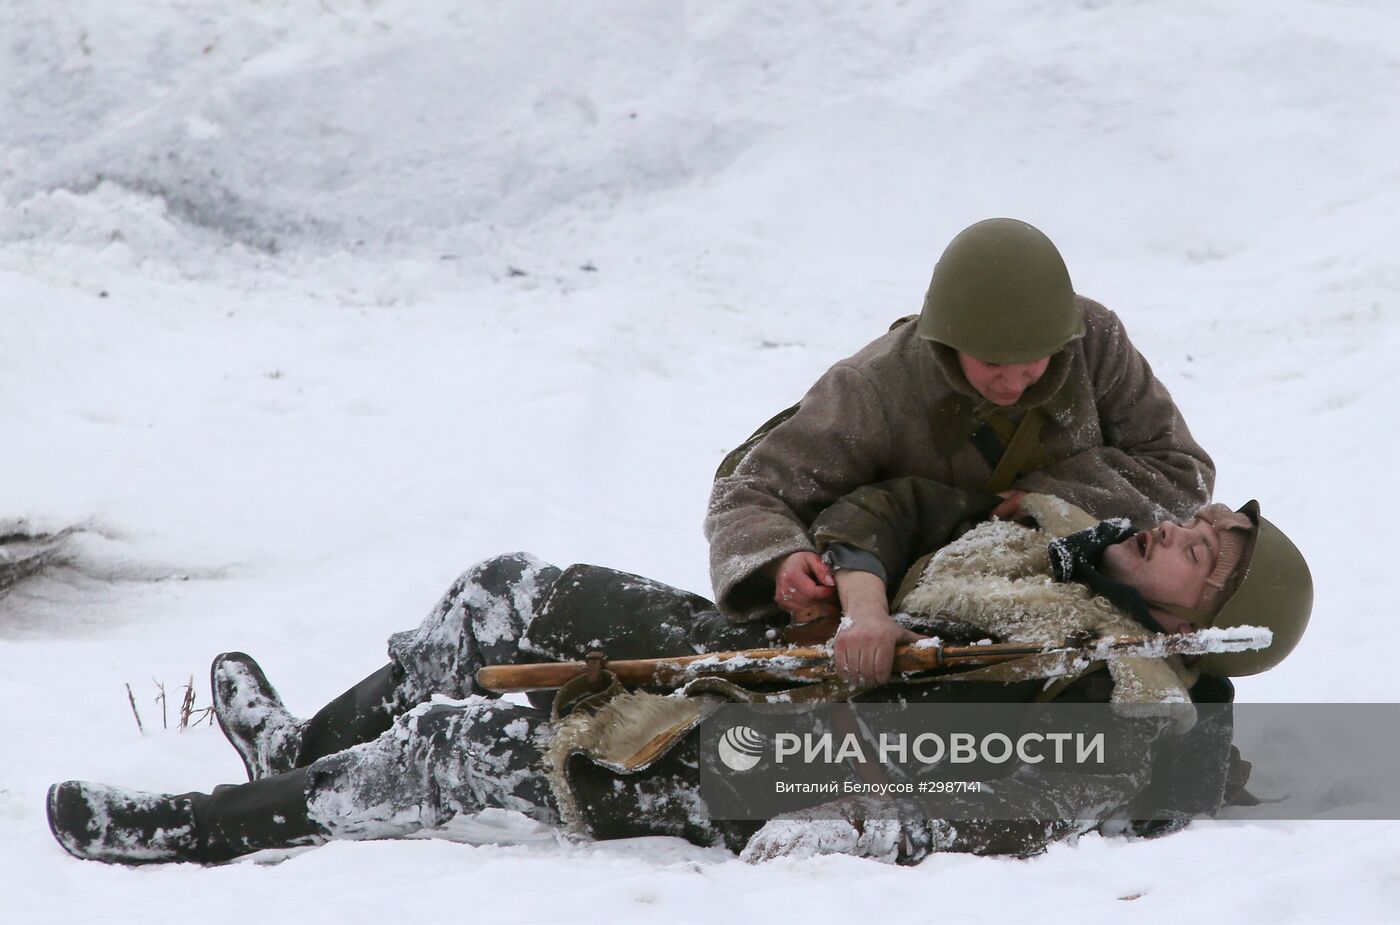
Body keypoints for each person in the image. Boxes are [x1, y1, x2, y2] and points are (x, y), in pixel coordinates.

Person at [47, 489, 1311, 866]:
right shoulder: (1064, 537)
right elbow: (879, 514)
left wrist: (836, 825)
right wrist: (859, 594)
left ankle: (199, 830)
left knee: (469, 754)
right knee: (501, 594)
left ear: (1204, 623)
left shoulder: (1118, 697)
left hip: (776, 764)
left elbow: (1021, 801)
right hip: (780, 662)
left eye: (1205, 558)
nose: (1183, 531)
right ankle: (297, 753)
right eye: (1200, 522)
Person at [705, 217, 1216, 638]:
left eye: (1033, 361)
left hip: (1081, 606)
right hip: (917, 618)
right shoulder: (872, 388)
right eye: (991, 361)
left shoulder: (1092, 344)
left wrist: (1049, 501)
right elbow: (749, 492)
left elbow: (1181, 471)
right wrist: (783, 559)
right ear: (949, 342)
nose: (1012, 382)